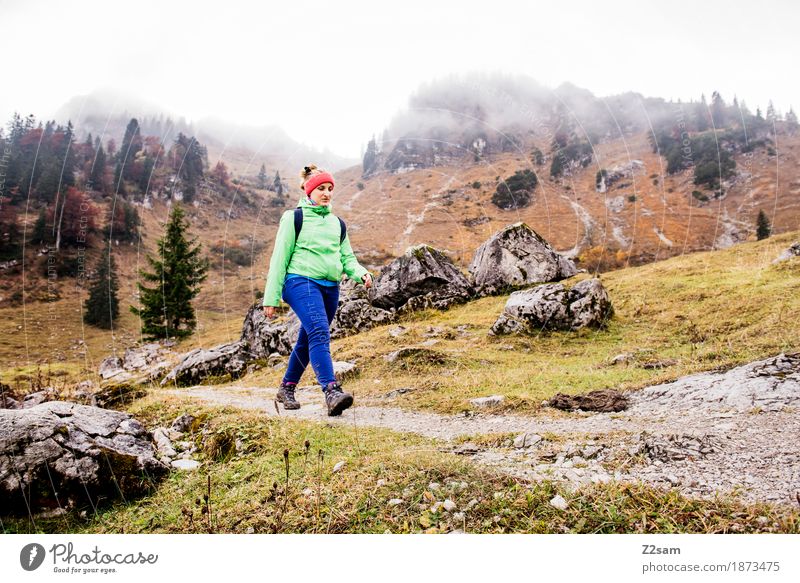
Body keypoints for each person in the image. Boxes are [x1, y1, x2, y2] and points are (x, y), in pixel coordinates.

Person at [262, 164, 373, 416]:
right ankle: (331, 390)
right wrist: (271, 297)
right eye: (321, 188)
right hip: (299, 282)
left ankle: (286, 388)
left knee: (308, 338)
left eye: (330, 188)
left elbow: (347, 258)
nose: (326, 193)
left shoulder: (338, 224)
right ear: (309, 190)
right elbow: (279, 258)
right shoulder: (294, 218)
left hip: (330, 287)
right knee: (320, 331)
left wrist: (361, 273)